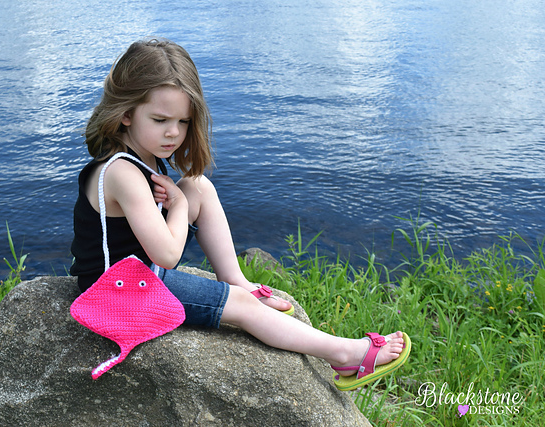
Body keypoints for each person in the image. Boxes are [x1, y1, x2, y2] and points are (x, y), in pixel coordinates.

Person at [70, 38, 410, 390]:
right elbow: (167, 256)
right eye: (160, 120)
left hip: (137, 272)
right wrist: (180, 207)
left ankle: (236, 279)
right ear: (125, 113)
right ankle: (345, 355)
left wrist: (184, 198)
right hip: (119, 294)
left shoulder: (143, 154)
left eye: (184, 121)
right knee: (244, 307)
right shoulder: (122, 172)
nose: (174, 132)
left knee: (198, 185)